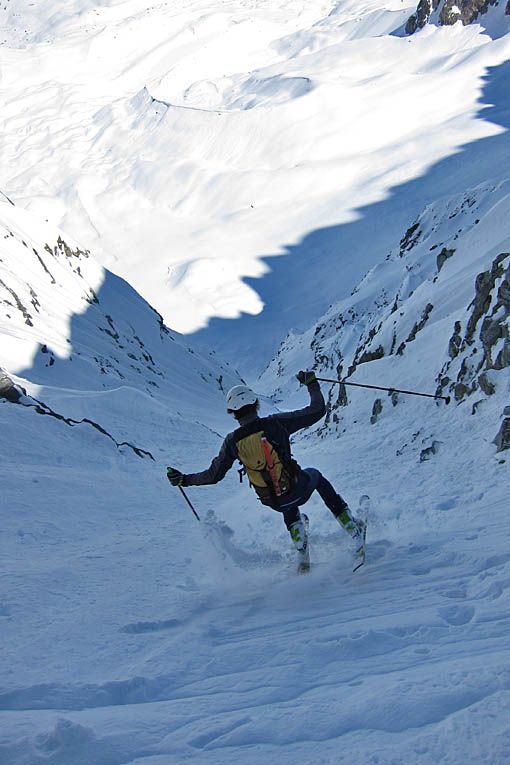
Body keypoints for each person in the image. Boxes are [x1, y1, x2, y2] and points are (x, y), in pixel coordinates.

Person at [167, 371, 366, 568]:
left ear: (232, 413)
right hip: (298, 489)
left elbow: (213, 476)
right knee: (314, 476)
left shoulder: (232, 442)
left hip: (274, 502)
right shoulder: (275, 424)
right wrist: (311, 384)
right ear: (256, 404)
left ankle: (299, 539)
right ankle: (351, 526)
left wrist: (184, 479)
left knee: (280, 490)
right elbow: (317, 410)